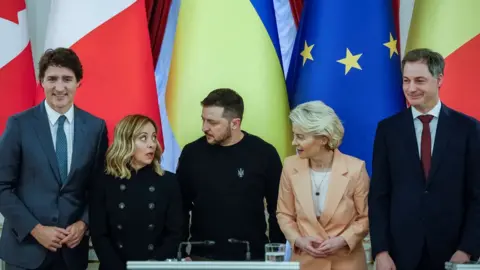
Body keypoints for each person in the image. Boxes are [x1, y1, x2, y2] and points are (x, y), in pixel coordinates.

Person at [369, 48, 480, 270]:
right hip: (400, 255)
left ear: (439, 79)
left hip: (453, 254)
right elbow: (379, 196)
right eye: (406, 80)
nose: (411, 88)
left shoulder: (468, 128)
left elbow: (477, 195)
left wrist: (467, 248)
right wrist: (381, 251)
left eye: (419, 80)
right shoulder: (387, 130)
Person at [0, 48, 108, 270]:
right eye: (52, 79)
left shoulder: (96, 128)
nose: (59, 87)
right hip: (25, 252)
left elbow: (99, 187)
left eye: (67, 79)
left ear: (79, 82)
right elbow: (2, 186)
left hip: (71, 254)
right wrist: (36, 229)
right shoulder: (19, 125)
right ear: (41, 81)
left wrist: (84, 223)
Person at [176, 88, 285, 261]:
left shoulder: (264, 154)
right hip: (201, 257)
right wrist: (180, 254)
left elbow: (278, 209)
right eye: (203, 120)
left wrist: (275, 255)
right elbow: (180, 208)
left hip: (252, 258)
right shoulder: (191, 153)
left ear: (235, 123)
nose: (204, 127)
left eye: (212, 122)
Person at [276, 100, 370, 270]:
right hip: (305, 262)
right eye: (294, 135)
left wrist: (343, 240)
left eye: (300, 137)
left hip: (346, 262)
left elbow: (366, 217)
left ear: (323, 139)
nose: (294, 143)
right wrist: (299, 240)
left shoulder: (356, 169)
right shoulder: (290, 167)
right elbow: (284, 213)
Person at [89, 114, 183, 269]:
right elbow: (99, 235)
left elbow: (175, 234)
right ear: (126, 142)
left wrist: (153, 265)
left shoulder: (168, 182)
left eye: (153, 137)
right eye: (143, 138)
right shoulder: (104, 182)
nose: (152, 144)